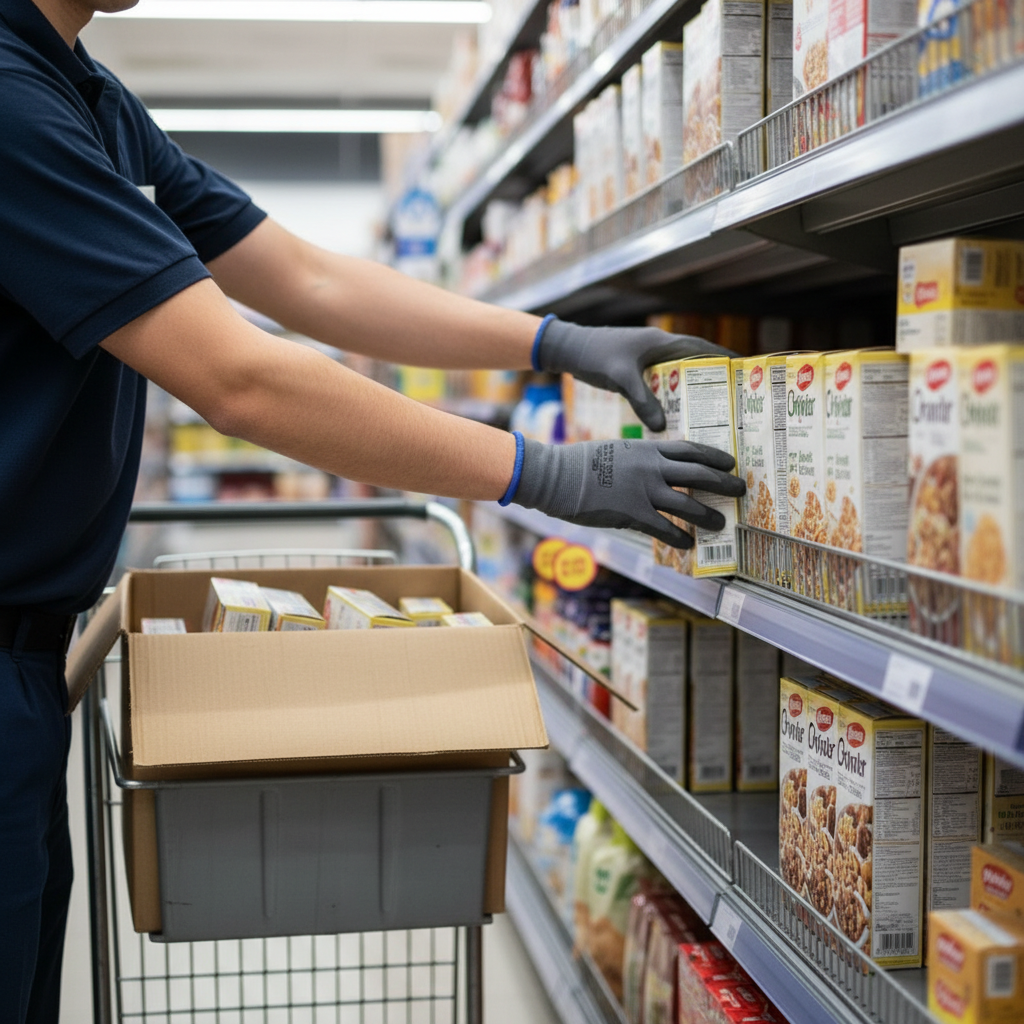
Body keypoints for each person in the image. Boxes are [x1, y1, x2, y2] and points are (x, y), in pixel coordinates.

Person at [0, 0, 744, 1019]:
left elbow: (306, 280)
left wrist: (552, 341)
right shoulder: (10, 98)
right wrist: (545, 473)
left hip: (28, 667)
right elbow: (239, 376)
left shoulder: (89, 96)